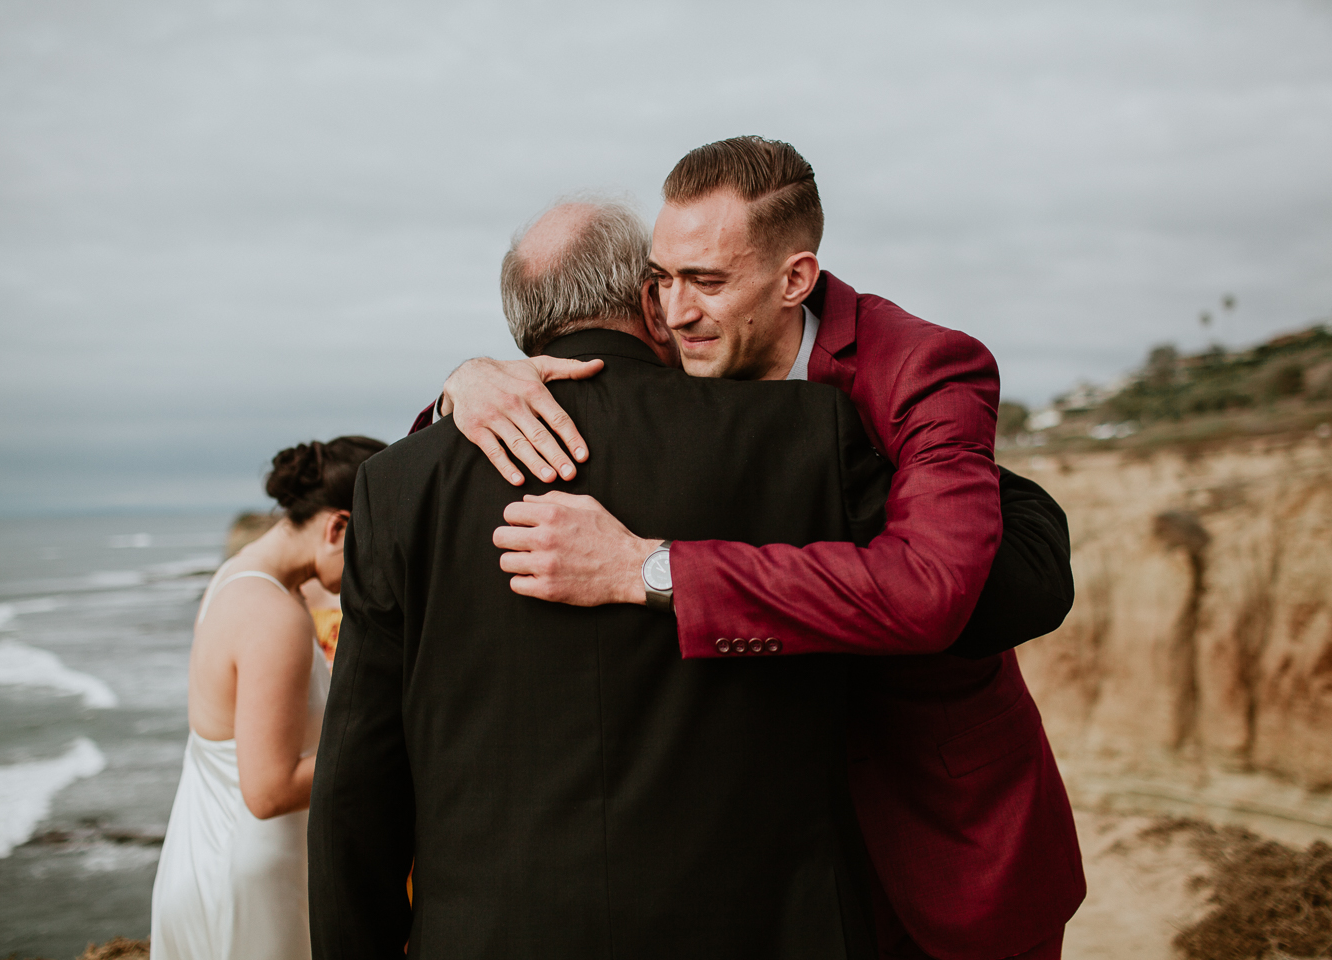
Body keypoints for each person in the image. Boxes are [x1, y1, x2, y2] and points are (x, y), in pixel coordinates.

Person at [426, 138, 1083, 959]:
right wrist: (465, 382)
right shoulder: (692, 347)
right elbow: (563, 411)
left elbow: (929, 589)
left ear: (795, 280)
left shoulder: (920, 366)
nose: (673, 311)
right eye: (661, 280)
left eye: (706, 281)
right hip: (778, 859)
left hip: (940, 828)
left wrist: (646, 568)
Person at [308, 199, 898, 959]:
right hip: (766, 931)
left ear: (524, 330)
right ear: (653, 302)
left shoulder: (402, 485)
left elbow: (357, 782)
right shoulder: (801, 432)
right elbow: (980, 587)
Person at [150, 435, 386, 960]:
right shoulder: (272, 615)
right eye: (372, 547)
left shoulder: (238, 579)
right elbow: (269, 790)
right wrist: (394, 739)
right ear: (337, 527)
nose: (374, 567)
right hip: (250, 879)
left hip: (207, 855)